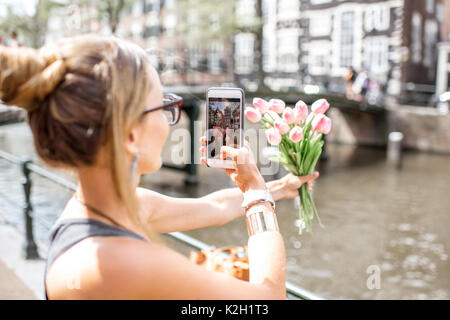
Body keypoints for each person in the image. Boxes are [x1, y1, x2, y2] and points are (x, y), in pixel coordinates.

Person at [0, 34, 319, 299]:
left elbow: (215, 207)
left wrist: (275, 187)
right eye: (165, 106)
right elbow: (266, 299)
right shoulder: (118, 265)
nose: (170, 123)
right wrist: (258, 196)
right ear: (130, 133)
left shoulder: (108, 210)